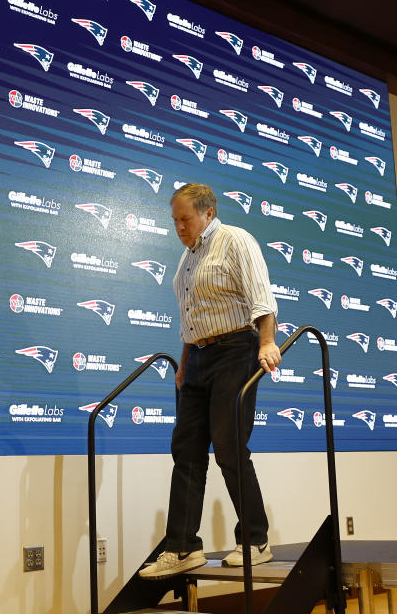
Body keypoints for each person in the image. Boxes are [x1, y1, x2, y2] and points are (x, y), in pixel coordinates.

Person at [139, 183, 282, 579]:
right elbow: (192, 318)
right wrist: (185, 364)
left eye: (185, 219)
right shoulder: (187, 258)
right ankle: (182, 546)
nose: (179, 227)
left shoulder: (236, 241)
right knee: (186, 451)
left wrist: (267, 341)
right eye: (175, 221)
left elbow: (262, 298)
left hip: (237, 349)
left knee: (230, 446)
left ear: (207, 213)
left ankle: (256, 539)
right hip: (199, 358)